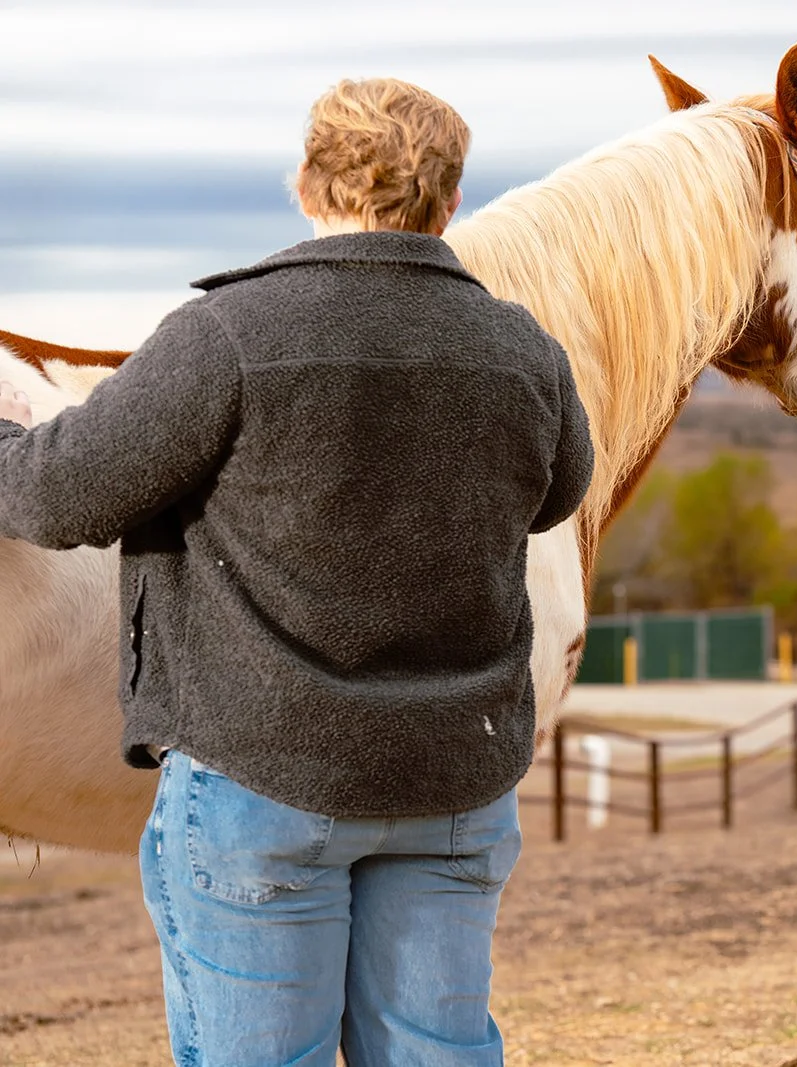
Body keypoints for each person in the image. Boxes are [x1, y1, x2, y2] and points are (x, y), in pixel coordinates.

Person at [0, 78, 593, 1066]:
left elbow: (61, 498)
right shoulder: (524, 351)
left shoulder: (224, 335)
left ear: (308, 187)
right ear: (449, 203)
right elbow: (557, 491)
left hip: (261, 778)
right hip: (455, 779)